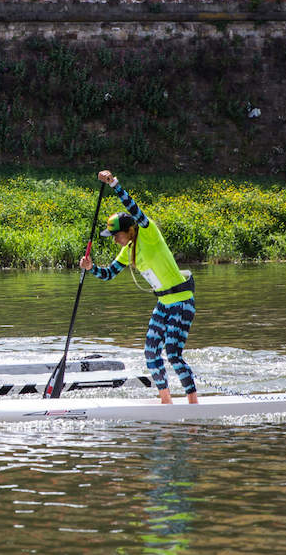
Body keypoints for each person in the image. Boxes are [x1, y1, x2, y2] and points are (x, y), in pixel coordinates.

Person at [80, 170, 199, 405]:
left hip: (182, 301)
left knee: (173, 354)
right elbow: (108, 274)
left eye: (117, 235)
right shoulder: (128, 250)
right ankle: (166, 400)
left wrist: (114, 184)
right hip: (163, 304)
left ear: (130, 230)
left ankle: (193, 401)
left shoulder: (149, 233)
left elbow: (134, 209)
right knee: (151, 352)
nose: (115, 239)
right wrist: (91, 267)